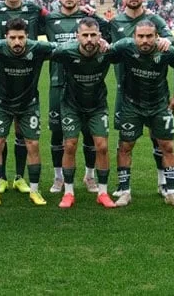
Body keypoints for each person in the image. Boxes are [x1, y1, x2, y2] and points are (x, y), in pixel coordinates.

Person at [0, 17, 54, 207]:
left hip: (28, 104)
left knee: (33, 144)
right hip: (1, 104)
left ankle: (34, 190)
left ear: (27, 37)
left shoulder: (37, 48)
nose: (17, 42)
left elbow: (64, 47)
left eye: (21, 38)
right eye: (13, 38)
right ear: (6, 37)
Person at [108, 0, 174, 199]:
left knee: (159, 138)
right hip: (125, 90)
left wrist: (167, 40)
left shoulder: (154, 20)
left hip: (154, 89)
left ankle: (163, 181)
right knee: (125, 139)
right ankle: (123, 185)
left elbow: (169, 38)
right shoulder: (115, 22)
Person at [0, 0, 47, 194]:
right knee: (0, 133)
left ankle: (19, 177)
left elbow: (54, 21)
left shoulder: (34, 10)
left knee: (22, 130)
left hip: (26, 77)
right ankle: (0, 178)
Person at [42, 0, 110, 194]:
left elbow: (109, 33)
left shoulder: (88, 18)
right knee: (57, 132)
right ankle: (58, 177)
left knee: (90, 131)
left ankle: (90, 176)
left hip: (85, 83)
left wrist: (98, 20)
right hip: (57, 81)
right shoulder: (50, 19)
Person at [110, 20, 174, 208]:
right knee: (125, 146)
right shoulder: (125, 46)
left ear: (156, 36)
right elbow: (106, 55)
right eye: (141, 36)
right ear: (134, 37)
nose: (145, 40)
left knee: (167, 146)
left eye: (149, 36)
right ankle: (125, 192)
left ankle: (171, 193)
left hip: (159, 106)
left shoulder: (167, 51)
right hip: (132, 105)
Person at [50, 17, 116, 209]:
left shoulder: (108, 52)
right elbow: (40, 52)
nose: (89, 39)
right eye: (85, 35)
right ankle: (68, 192)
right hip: (71, 105)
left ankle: (103, 193)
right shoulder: (65, 51)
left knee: (102, 147)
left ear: (99, 36)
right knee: (70, 145)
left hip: (97, 105)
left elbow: (131, 49)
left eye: (93, 35)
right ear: (77, 36)